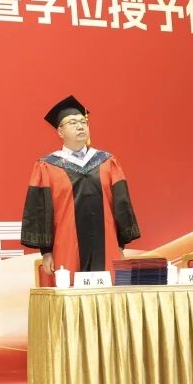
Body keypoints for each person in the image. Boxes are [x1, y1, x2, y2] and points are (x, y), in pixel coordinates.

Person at [20, 95, 140, 275]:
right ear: (60, 132)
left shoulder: (107, 162)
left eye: (83, 122)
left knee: (106, 288)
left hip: (106, 246)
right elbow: (40, 210)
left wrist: (120, 245)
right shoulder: (47, 166)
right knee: (71, 288)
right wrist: (46, 252)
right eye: (73, 122)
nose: (80, 126)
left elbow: (121, 204)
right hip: (67, 247)